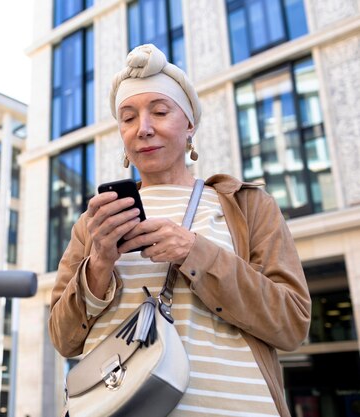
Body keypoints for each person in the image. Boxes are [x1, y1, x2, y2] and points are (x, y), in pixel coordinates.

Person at [48, 43, 311, 417]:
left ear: (189, 124)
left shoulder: (246, 205)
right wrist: (98, 265)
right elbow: (63, 337)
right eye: (128, 117)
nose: (144, 128)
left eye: (160, 111)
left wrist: (195, 251)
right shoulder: (95, 221)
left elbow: (292, 323)